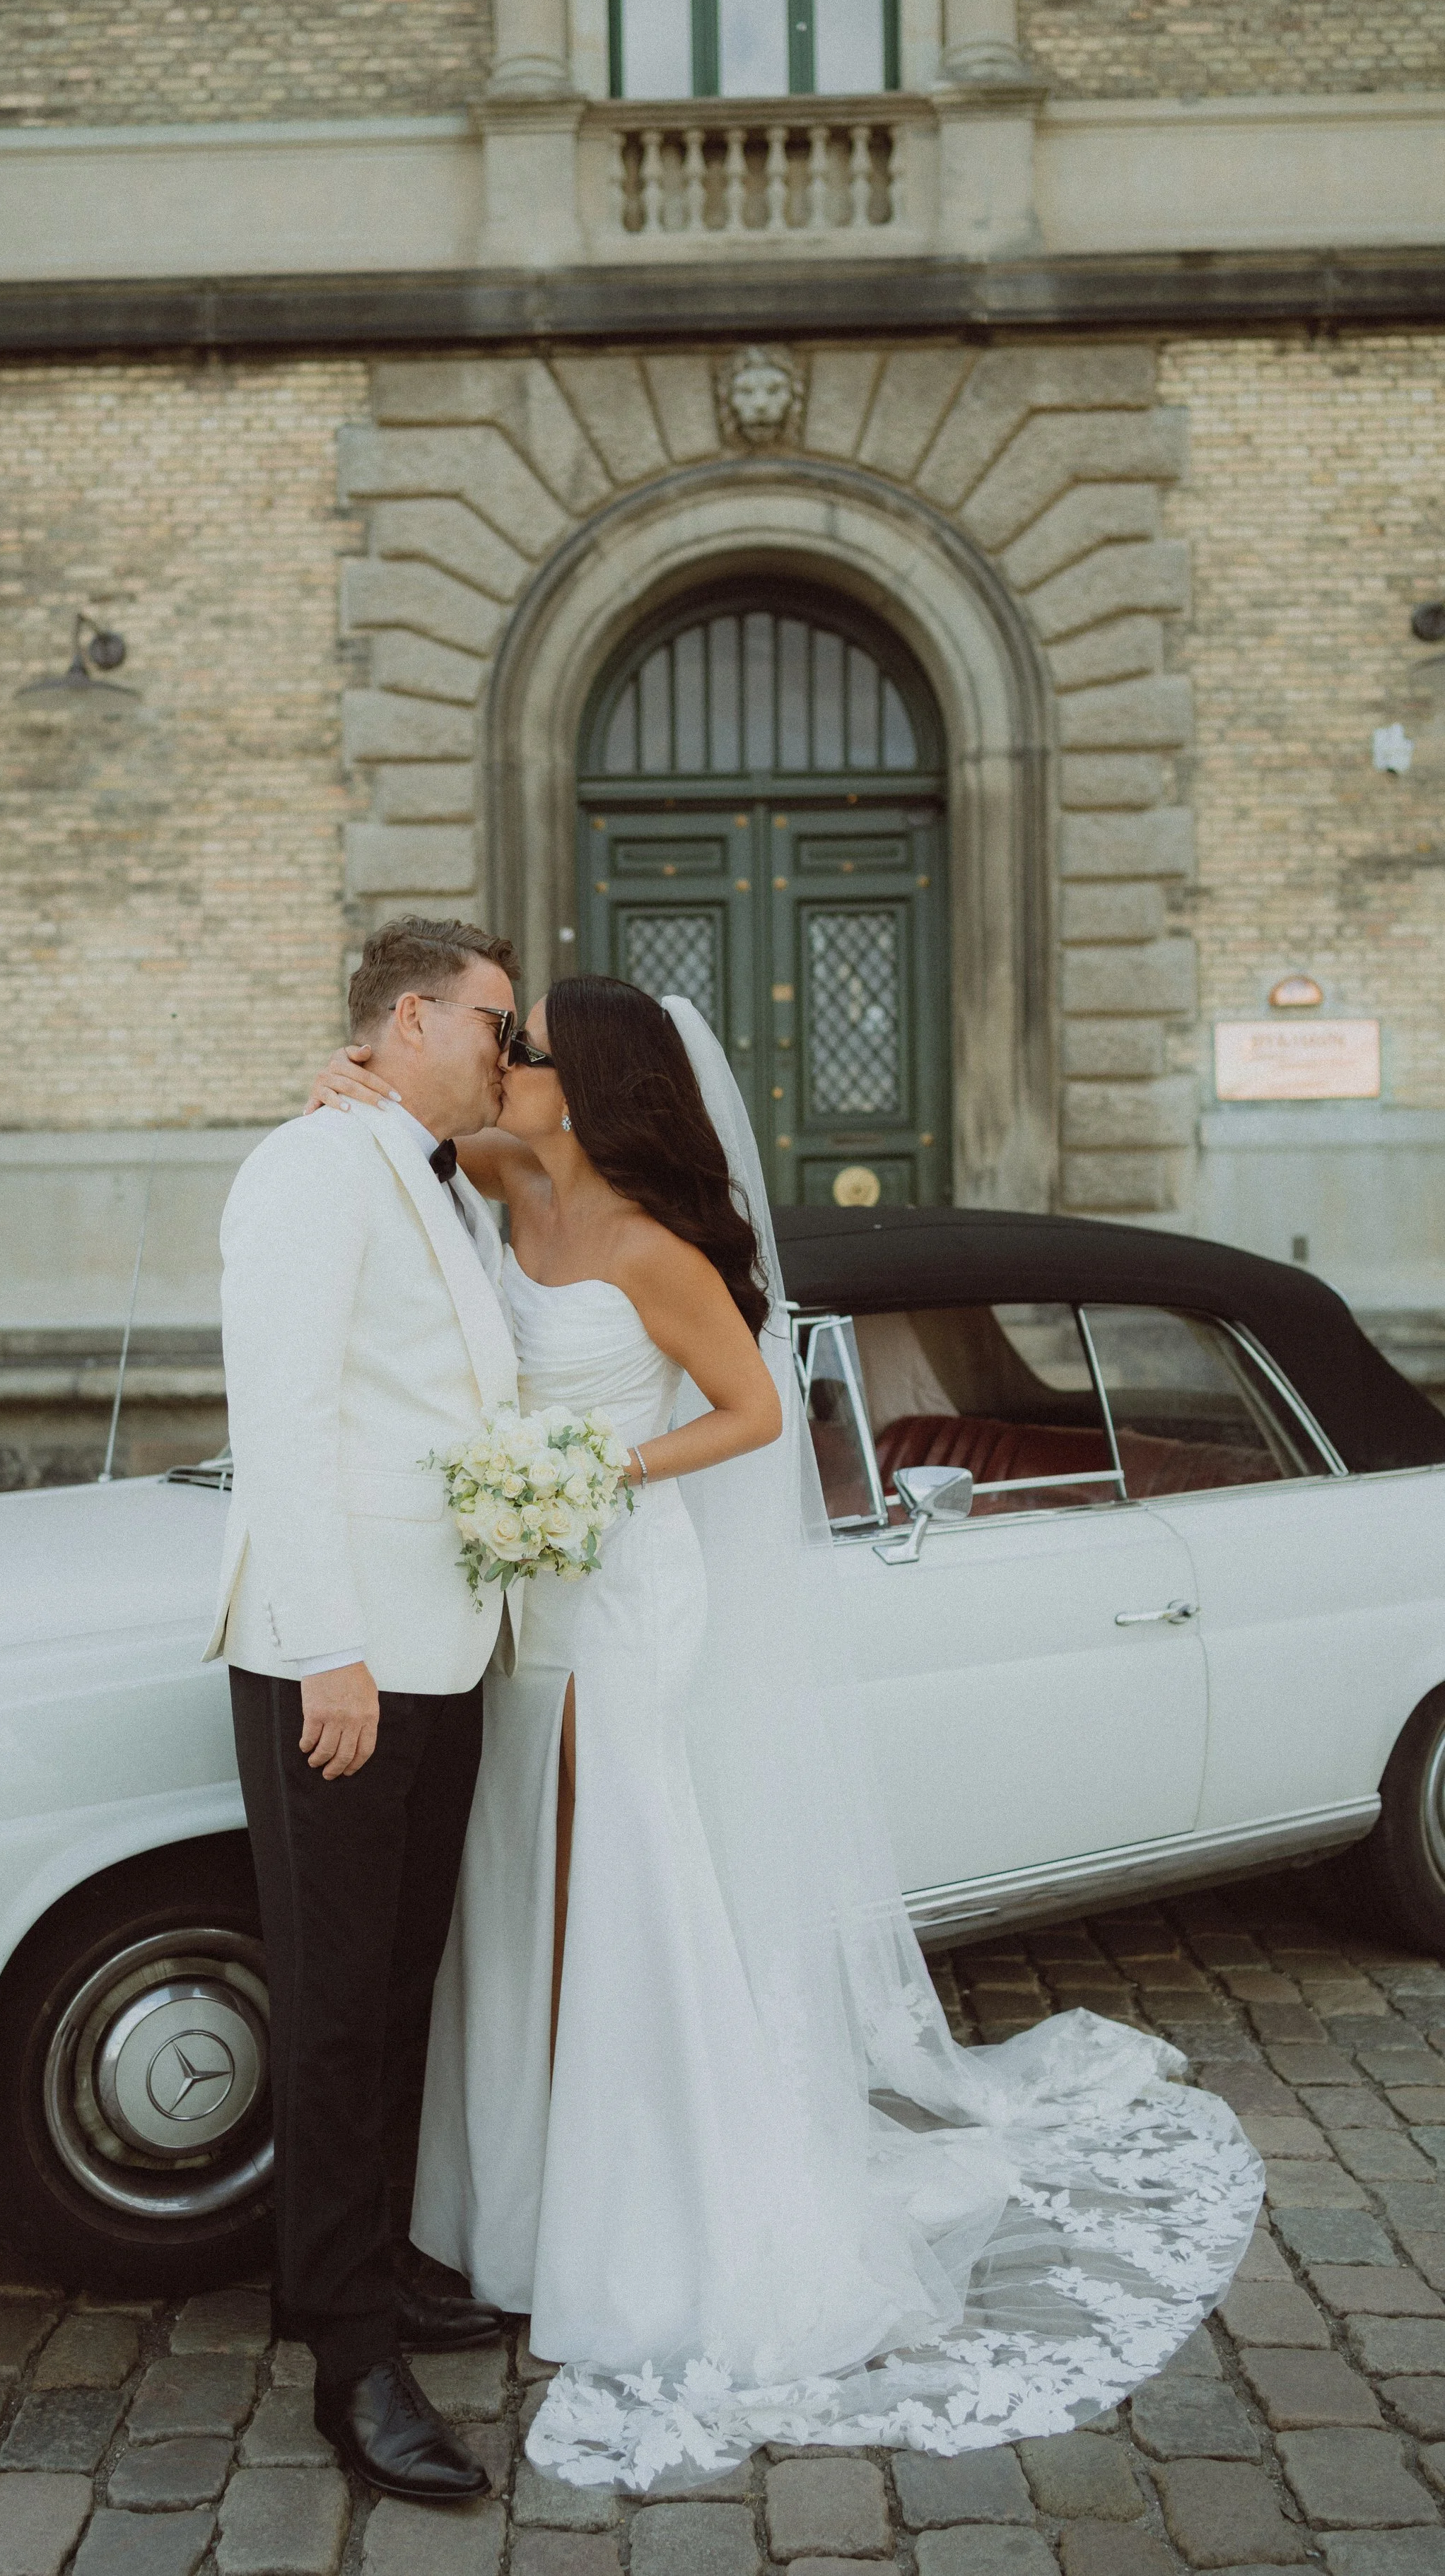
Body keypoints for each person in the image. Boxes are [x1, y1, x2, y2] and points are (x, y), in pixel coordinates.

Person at [305, 975, 1265, 2493]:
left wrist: (597, 1470)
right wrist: (348, 1080)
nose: (501, 1061)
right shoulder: (496, 1173)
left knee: (607, 1876)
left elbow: (751, 1412)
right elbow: (396, 1137)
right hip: (518, 1598)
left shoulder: (652, 1248)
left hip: (616, 1587)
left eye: (526, 1049)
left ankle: (633, 2209)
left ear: (592, 1087)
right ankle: (502, 2208)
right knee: (511, 1896)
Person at [206, 914, 532, 2505]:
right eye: (493, 1023)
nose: (508, 1052)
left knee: (399, 1989)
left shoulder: (427, 1172)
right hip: (337, 1665)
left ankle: (375, 2262)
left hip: (445, 1645)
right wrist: (327, 1642)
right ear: (409, 1019)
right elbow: (281, 1414)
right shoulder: (312, 1169)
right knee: (333, 2011)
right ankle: (347, 2361)